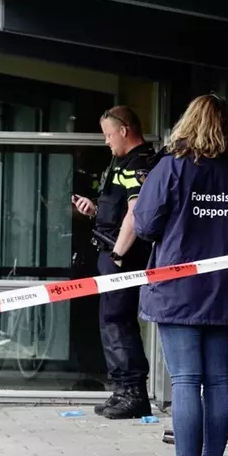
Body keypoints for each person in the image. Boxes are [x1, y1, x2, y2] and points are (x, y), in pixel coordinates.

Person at [131, 93, 228, 456]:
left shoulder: (173, 166)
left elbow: (145, 223)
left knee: (185, 380)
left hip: (179, 287)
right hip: (227, 287)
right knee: (218, 381)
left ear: (187, 122)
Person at [71, 106, 155, 419]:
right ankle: (122, 391)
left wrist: (118, 254)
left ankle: (133, 394)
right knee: (111, 322)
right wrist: (96, 211)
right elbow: (121, 211)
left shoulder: (139, 164)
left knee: (118, 322)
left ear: (124, 130)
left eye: (108, 134)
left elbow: (136, 213)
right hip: (111, 251)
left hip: (122, 257)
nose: (106, 141)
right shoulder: (122, 163)